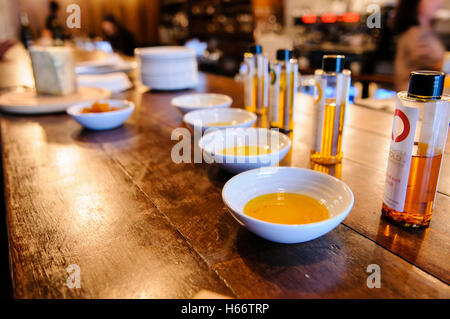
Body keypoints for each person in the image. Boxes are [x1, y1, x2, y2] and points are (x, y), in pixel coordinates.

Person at [394, 0, 445, 91]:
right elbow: (439, 64)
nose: (439, 2)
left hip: (426, 95)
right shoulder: (414, 34)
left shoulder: (425, 31)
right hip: (417, 97)